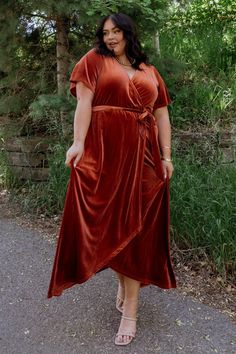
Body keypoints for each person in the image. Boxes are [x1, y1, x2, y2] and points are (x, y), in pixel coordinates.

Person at [47, 13, 177, 346]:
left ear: (128, 33)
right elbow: (85, 104)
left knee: (138, 230)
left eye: (116, 31)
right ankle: (123, 282)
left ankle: (130, 310)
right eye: (105, 32)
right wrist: (78, 143)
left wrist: (166, 156)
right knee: (112, 226)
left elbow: (162, 114)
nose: (110, 37)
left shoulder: (149, 72)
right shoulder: (93, 61)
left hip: (144, 159)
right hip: (106, 157)